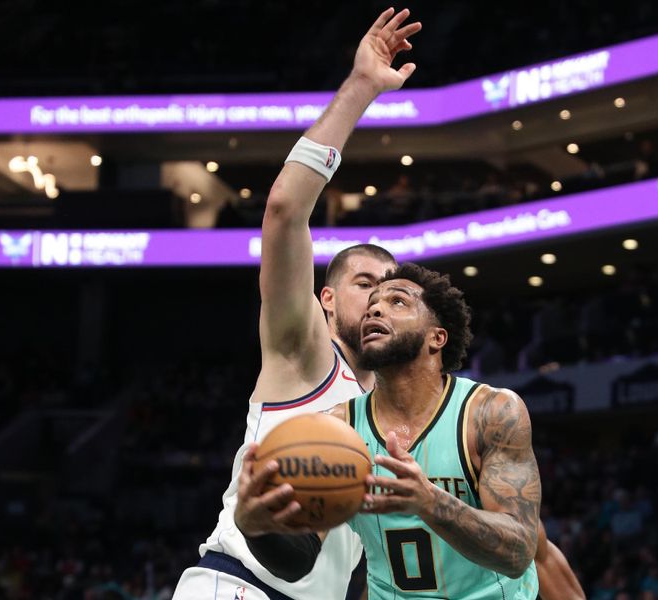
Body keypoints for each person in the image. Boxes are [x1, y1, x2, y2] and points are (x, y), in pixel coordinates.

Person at [171, 7, 418, 599]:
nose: (380, 298)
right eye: (365, 284)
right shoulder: (303, 348)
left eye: (392, 290)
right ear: (325, 301)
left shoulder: (381, 421)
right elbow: (284, 211)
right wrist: (362, 87)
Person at [242, 263, 542, 598]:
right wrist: (255, 528)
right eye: (371, 305)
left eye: (397, 302)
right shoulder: (338, 429)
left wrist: (429, 501)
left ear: (437, 337)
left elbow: (518, 552)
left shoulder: (490, 412)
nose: (375, 310)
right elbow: (298, 560)